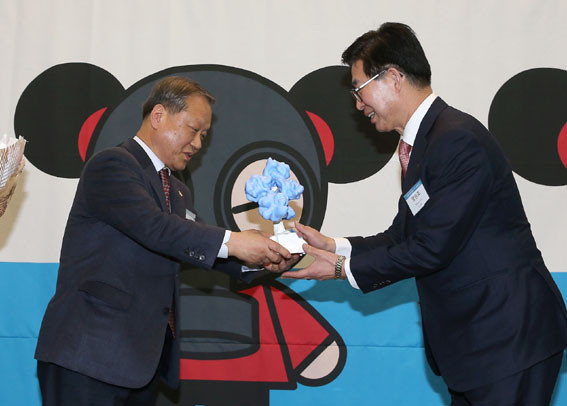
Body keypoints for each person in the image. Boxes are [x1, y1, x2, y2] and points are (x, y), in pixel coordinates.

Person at [283, 23, 567, 405]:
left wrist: (339, 269)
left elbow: (432, 248)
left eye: (358, 88)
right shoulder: (425, 143)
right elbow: (404, 235)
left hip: (507, 338)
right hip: (479, 345)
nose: (358, 104)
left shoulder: (456, 140)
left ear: (393, 78)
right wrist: (335, 246)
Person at [35, 76, 297, 406]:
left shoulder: (178, 189)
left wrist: (267, 259)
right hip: (88, 356)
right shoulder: (112, 165)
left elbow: (197, 243)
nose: (198, 144)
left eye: (204, 135)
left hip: (141, 364)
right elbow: (156, 228)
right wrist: (236, 241)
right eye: (193, 129)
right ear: (159, 116)